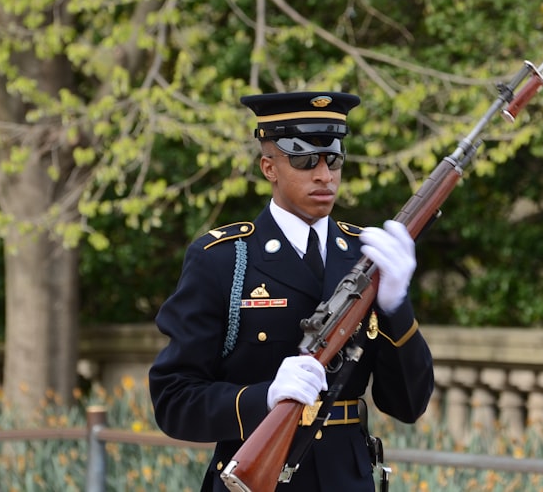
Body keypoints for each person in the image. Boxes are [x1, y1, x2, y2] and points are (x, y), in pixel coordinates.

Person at [149, 91, 435, 491]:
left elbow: (408, 404)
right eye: (304, 161)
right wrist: (263, 398)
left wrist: (396, 306)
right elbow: (174, 399)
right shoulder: (224, 259)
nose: (324, 175)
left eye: (333, 159)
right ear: (270, 167)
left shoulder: (366, 257)